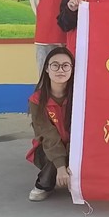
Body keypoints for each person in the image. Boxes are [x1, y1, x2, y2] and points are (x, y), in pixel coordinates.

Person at [26, 47, 75, 202]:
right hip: (47, 148)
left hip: (74, 146)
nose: (60, 70)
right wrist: (61, 166)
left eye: (65, 66)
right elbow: (47, 134)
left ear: (72, 69)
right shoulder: (37, 100)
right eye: (55, 65)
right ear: (47, 69)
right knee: (52, 154)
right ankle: (43, 184)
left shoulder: (79, 96)